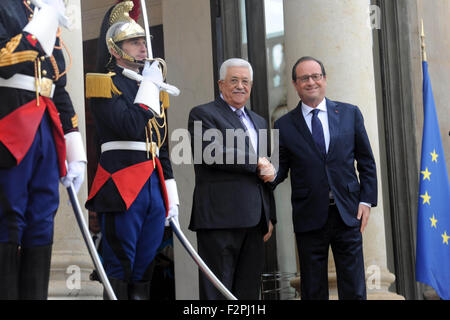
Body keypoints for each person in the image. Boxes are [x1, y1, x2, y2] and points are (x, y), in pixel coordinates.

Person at [85, 1, 180, 300]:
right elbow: (127, 125)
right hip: (122, 182)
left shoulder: (152, 86)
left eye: (143, 41)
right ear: (116, 48)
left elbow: (160, 144)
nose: (143, 47)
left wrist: (170, 191)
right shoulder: (104, 84)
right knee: (120, 265)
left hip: (152, 183)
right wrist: (150, 88)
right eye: (134, 42)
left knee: (146, 266)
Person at [0, 0, 86, 299]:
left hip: (44, 124)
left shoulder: (37, 8)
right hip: (8, 121)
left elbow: (56, 84)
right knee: (8, 216)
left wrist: (76, 149)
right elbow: (3, 60)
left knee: (42, 216)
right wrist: (42, 23)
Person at [273, 56, 377, 300]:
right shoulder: (284, 125)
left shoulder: (350, 113)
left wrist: (366, 201)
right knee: (312, 290)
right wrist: (265, 172)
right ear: (295, 85)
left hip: (348, 214)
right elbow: (279, 170)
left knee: (353, 287)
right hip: (309, 217)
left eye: (315, 76)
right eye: (304, 78)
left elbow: (366, 161)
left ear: (325, 79)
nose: (311, 82)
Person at [188, 58, 276, 300]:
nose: (240, 86)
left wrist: (270, 215)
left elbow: (267, 168)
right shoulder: (202, 114)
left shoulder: (258, 121)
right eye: (234, 80)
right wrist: (255, 161)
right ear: (221, 84)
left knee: (247, 293)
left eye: (245, 81)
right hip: (219, 220)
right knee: (218, 293)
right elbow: (211, 152)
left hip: (255, 220)